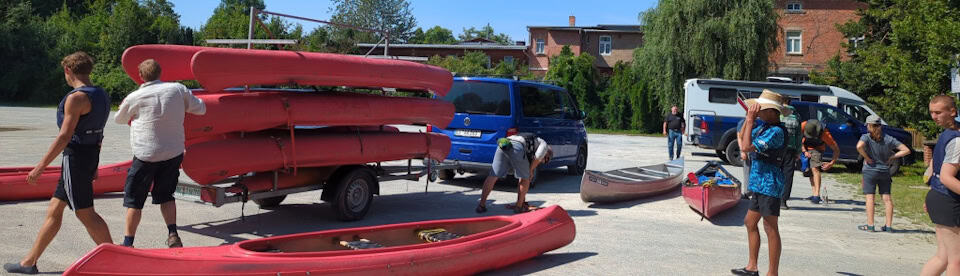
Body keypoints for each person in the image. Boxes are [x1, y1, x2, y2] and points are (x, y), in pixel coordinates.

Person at [4, 52, 114, 274]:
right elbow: (98, 133)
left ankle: (117, 260)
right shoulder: (101, 95)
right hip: (87, 156)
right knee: (55, 209)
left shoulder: (76, 98)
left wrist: (40, 167)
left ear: (68, 70)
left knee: (85, 213)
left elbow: (64, 137)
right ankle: (29, 262)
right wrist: (94, 165)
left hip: (76, 159)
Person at [113, 59, 206, 248]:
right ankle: (173, 234)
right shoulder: (178, 89)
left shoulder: (134, 97)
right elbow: (201, 109)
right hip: (173, 153)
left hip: (145, 155)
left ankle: (128, 243)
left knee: (134, 200)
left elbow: (119, 120)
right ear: (160, 73)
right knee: (166, 195)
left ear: (140, 76)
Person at [731, 89, 787, 276]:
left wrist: (749, 120)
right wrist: (750, 120)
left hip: (769, 184)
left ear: (771, 111)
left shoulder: (776, 131)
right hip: (759, 182)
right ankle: (752, 266)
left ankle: (773, 273)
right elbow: (743, 137)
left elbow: (747, 147)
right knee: (750, 222)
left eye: (761, 109)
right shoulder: (764, 127)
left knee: (770, 227)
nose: (758, 111)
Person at [920, 95, 960, 276]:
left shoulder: (946, 135)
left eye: (938, 112)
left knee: (943, 257)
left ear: (952, 112)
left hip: (940, 198)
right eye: (932, 112)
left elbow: (932, 170)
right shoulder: (955, 139)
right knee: (956, 261)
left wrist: (932, 196)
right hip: (948, 200)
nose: (934, 117)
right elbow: (946, 177)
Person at [856, 115, 910, 232]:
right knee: (887, 199)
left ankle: (870, 225)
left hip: (870, 170)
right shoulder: (888, 138)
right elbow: (906, 150)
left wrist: (866, 157)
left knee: (870, 198)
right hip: (884, 171)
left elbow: (859, 146)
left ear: (869, 125)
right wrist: (892, 157)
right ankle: (888, 226)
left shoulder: (866, 137)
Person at [476, 133, 552, 214]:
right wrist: (530, 171)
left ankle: (481, 205)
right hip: (517, 146)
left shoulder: (532, 143)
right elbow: (537, 158)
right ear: (547, 154)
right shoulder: (544, 146)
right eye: (545, 160)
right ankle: (519, 207)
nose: (543, 162)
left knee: (493, 176)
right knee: (525, 178)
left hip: (504, 143)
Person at [801, 119, 840, 204]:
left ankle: (817, 195)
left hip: (818, 149)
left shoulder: (825, 133)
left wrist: (831, 163)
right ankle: (814, 193)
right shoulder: (803, 125)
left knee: (815, 168)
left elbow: (836, 150)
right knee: (809, 171)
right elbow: (797, 138)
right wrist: (804, 150)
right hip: (806, 148)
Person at [779, 101, 802, 209]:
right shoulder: (796, 117)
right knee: (788, 175)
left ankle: (772, 198)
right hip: (791, 149)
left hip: (777, 148)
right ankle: (783, 201)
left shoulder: (778, 114)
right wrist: (798, 151)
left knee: (775, 172)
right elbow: (799, 136)